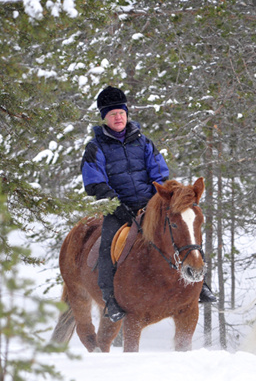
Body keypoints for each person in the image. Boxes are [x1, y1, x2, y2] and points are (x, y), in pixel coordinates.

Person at [81, 85, 217, 322]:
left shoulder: (143, 142)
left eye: (121, 112)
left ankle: (200, 283)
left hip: (150, 205)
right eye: (112, 114)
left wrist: (163, 197)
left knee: (185, 232)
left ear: (126, 114)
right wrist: (114, 202)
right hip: (117, 208)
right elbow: (94, 181)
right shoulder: (96, 147)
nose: (118, 117)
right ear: (104, 117)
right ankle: (110, 299)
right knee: (107, 248)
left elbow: (159, 173)